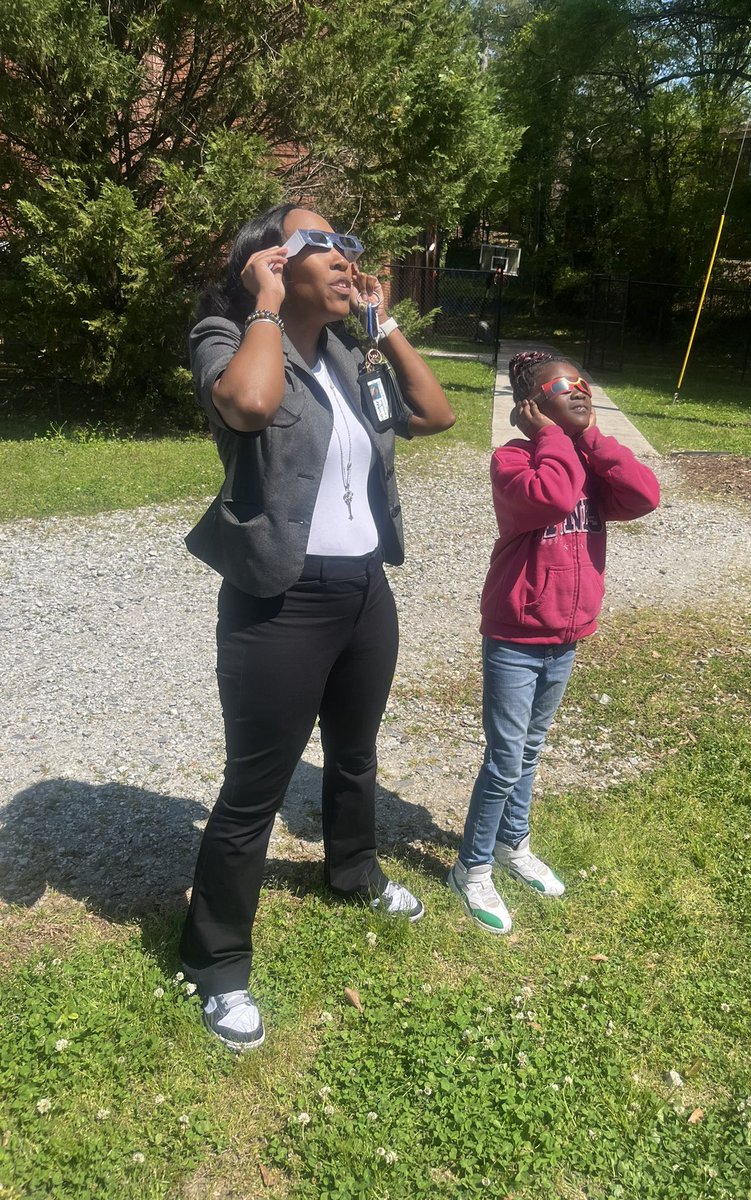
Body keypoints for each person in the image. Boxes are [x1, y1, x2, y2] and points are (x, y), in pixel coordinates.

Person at [180, 204, 455, 1049]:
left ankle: (353, 870)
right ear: (268, 261)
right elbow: (252, 407)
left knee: (357, 754)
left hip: (364, 589)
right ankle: (217, 965)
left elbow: (434, 414)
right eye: (323, 243)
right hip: (281, 598)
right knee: (254, 790)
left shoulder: (347, 352)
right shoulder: (225, 337)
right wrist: (264, 304)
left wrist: (385, 326)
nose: (346, 257)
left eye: (349, 245)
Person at [447, 350, 659, 934]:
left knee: (530, 751)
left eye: (585, 383)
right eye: (564, 386)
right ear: (533, 405)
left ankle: (514, 846)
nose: (581, 391)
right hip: (516, 634)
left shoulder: (585, 459)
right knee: (505, 758)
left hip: (565, 632)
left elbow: (643, 495)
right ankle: (472, 866)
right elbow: (555, 497)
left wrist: (592, 437)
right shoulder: (513, 459)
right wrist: (551, 439)